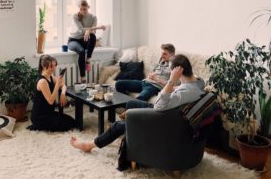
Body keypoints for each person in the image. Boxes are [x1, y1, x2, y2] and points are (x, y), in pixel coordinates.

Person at [70, 54, 205, 152]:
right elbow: (182, 90)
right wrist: (173, 84)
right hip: (167, 110)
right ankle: (129, 133)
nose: (170, 72)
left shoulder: (186, 92)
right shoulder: (198, 82)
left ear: (178, 71)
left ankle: (89, 145)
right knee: (131, 104)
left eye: (171, 70)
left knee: (118, 125)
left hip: (161, 118)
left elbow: (159, 105)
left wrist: (171, 81)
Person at [29, 55, 75, 132]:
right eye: (51, 66)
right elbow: (50, 101)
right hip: (40, 116)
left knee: (71, 121)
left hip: (49, 113)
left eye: (54, 65)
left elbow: (63, 85)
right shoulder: (42, 81)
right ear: (44, 66)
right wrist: (57, 85)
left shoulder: (50, 76)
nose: (54, 68)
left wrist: (63, 94)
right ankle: (39, 125)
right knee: (66, 125)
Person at [68, 0, 106, 83]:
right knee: (81, 52)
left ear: (88, 7)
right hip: (73, 40)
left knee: (92, 36)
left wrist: (89, 31)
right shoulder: (75, 16)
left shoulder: (93, 17)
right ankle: (83, 76)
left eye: (84, 9)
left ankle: (88, 59)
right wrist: (97, 27)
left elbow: (93, 32)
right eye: (81, 9)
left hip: (84, 40)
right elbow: (81, 30)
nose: (82, 11)